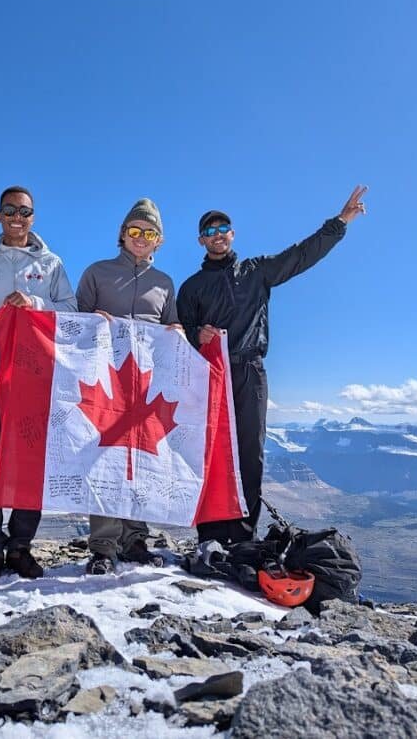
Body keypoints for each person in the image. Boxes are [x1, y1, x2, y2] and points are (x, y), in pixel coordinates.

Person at [177, 185, 368, 546]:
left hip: (250, 372)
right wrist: (194, 334)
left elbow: (301, 255)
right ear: (201, 240)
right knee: (211, 452)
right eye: (210, 231)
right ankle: (210, 535)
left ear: (232, 234)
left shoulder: (257, 271)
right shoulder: (191, 288)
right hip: (210, 378)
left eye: (223, 229)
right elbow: (180, 332)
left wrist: (340, 222)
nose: (218, 235)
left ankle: (243, 537)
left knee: (251, 454)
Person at [0, 186, 77, 580]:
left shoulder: (51, 264)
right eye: (9, 210)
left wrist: (35, 303)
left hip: (35, 378)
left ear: (33, 217)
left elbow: (71, 309)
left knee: (30, 462)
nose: (17, 217)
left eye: (24, 211)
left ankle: (21, 546)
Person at [75, 198, 183, 575]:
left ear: (159, 241)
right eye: (135, 230)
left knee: (142, 461)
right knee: (106, 461)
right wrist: (92, 320)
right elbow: (74, 322)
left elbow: (172, 327)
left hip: (146, 390)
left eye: (149, 233)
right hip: (106, 386)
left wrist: (177, 331)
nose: (141, 237)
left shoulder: (164, 284)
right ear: (122, 234)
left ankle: (135, 539)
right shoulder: (97, 273)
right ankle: (103, 546)